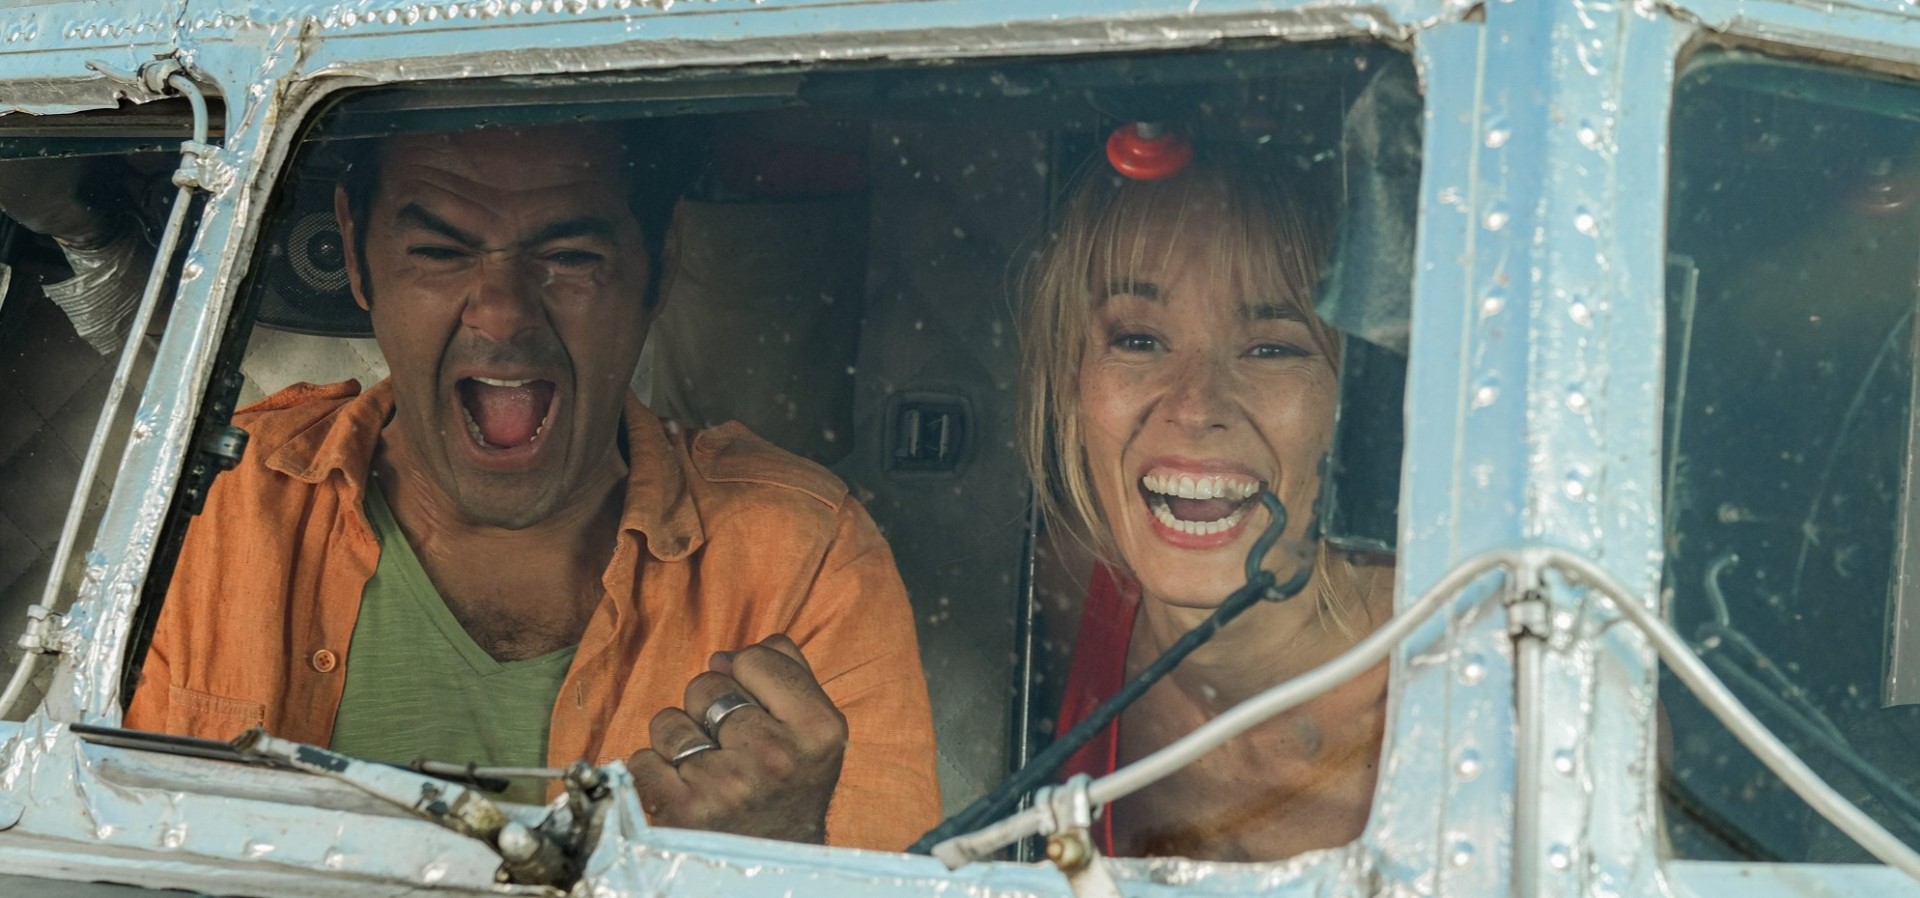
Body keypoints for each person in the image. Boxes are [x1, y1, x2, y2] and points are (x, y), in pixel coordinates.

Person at [119, 123, 941, 851]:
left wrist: (775, 853)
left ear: (660, 267)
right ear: (357, 255)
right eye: (440, 251)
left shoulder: (804, 556)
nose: (504, 313)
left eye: (570, 256)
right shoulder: (210, 499)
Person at [1020, 134, 1396, 861]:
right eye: (1138, 340)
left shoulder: (1492, 679)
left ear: (1361, 399)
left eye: (1271, 347)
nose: (1194, 407)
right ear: (1071, 378)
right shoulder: (1048, 600)